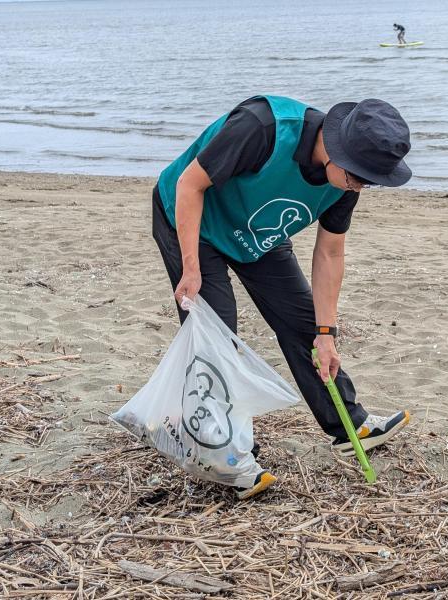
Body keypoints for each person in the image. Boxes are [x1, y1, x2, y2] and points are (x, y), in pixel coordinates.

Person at [151, 95, 413, 499]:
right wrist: (190, 267)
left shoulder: (345, 181)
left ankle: (348, 426)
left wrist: (327, 335)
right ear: (338, 149)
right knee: (218, 338)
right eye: (360, 177)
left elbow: (330, 252)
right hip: (192, 220)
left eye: (370, 179)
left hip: (258, 234)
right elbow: (190, 183)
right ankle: (227, 453)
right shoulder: (262, 128)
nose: (363, 186)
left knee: (306, 326)